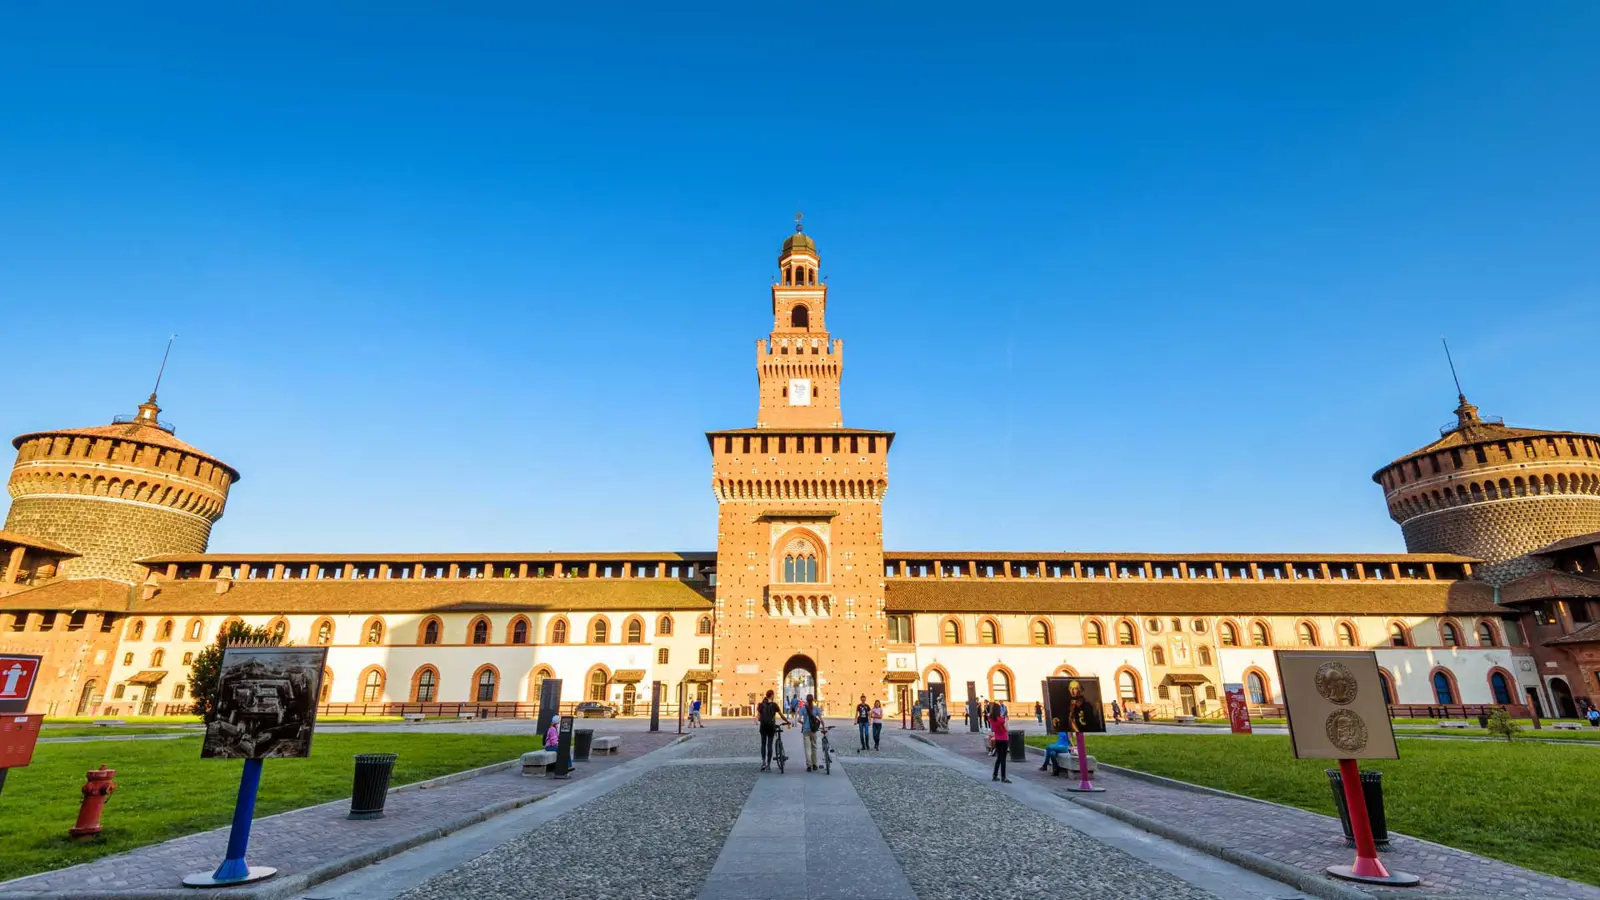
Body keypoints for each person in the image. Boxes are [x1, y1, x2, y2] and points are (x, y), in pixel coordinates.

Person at [756, 689, 785, 771]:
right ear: (771, 695)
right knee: (769, 746)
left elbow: (758, 718)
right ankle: (768, 764)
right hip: (771, 727)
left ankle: (763, 762)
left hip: (763, 727)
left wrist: (763, 719)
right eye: (773, 694)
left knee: (763, 744)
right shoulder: (774, 705)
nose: (774, 696)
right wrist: (787, 721)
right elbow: (781, 715)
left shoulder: (761, 704)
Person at [800, 693, 824, 771]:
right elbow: (821, 720)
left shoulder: (803, 708)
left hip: (806, 731)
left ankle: (809, 765)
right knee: (814, 747)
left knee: (807, 749)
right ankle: (815, 764)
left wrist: (803, 723)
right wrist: (823, 728)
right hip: (813, 730)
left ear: (806, 700)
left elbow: (798, 719)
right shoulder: (816, 708)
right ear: (813, 700)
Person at [990, 704, 1011, 782]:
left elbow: (997, 722)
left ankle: (995, 775)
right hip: (1004, 739)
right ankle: (1003, 777)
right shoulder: (1001, 719)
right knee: (1003, 759)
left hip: (997, 738)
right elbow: (1007, 729)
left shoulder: (991, 718)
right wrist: (1006, 720)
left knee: (998, 758)